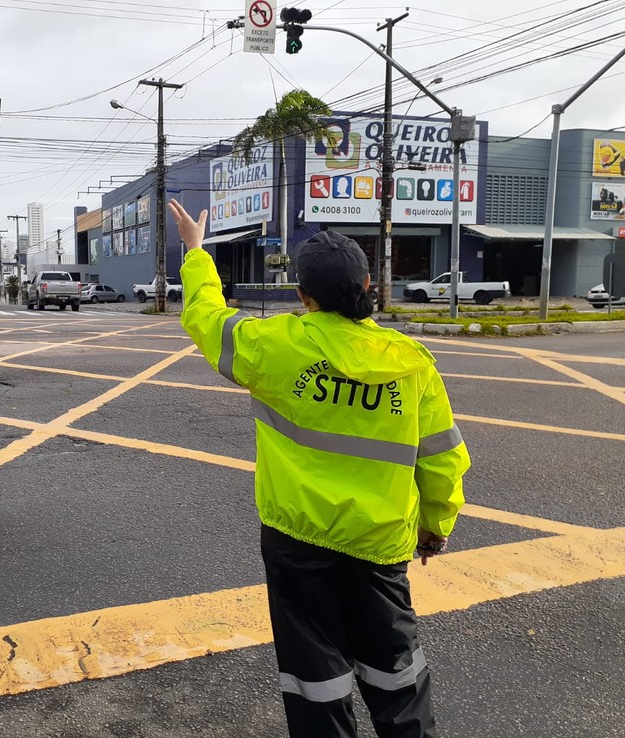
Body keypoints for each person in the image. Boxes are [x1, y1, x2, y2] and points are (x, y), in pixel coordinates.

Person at [168, 198, 470, 738]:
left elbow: (206, 317)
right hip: (380, 542)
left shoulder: (276, 346)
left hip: (297, 537)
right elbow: (442, 457)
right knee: (396, 674)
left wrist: (196, 251)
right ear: (367, 287)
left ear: (303, 295)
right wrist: (435, 526)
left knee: (316, 679)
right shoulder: (410, 362)